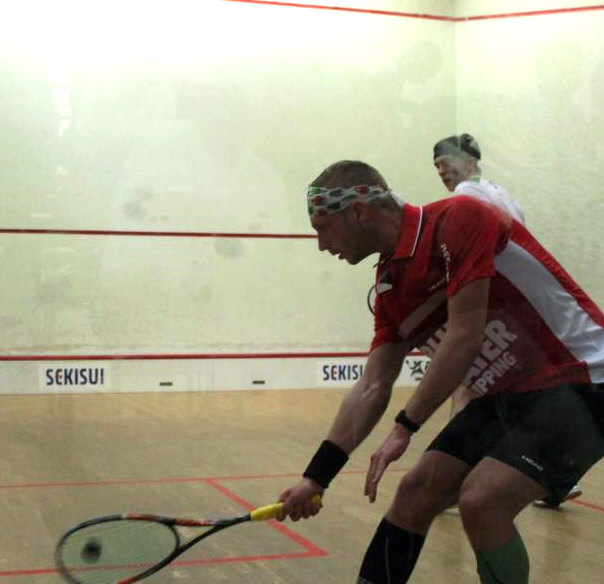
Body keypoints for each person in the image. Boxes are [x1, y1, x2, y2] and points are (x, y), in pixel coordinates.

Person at [277, 160, 604, 584]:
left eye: (323, 228)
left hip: (584, 378)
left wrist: (405, 426)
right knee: (416, 491)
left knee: (483, 501)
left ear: (358, 210)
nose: (322, 245)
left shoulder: (458, 218)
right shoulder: (390, 286)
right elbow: (373, 385)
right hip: (509, 395)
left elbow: (464, 336)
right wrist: (316, 477)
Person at [433, 134, 581, 508]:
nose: (441, 171)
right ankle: (555, 480)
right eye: (437, 166)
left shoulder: (466, 195)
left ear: (470, 161)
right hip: (521, 309)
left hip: (491, 307)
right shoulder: (504, 195)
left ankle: (449, 480)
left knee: (467, 387)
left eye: (446, 162)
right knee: (514, 394)